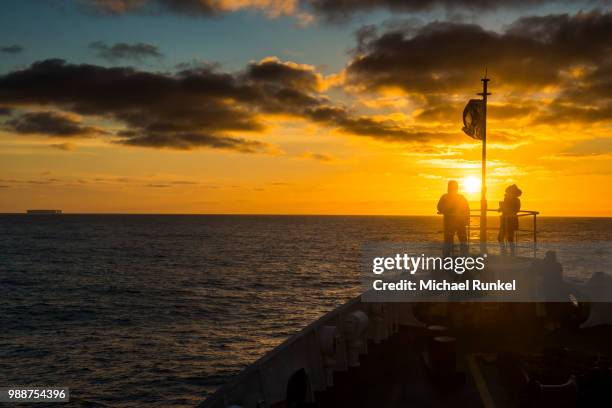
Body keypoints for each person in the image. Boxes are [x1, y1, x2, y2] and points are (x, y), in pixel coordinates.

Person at [437, 180, 470, 257]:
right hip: (456, 222)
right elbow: (466, 209)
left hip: (453, 222)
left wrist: (446, 210)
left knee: (452, 240)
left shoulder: (445, 197)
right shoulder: (460, 198)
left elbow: (439, 207)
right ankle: (463, 256)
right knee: (460, 240)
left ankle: (448, 257)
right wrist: (466, 220)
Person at [498, 184, 522, 255]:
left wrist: (505, 206)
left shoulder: (516, 200)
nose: (507, 193)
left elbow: (516, 210)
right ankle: (505, 252)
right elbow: (505, 209)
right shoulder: (507, 200)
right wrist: (501, 208)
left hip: (511, 220)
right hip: (505, 220)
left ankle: (510, 253)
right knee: (501, 238)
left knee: (509, 238)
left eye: (509, 192)